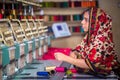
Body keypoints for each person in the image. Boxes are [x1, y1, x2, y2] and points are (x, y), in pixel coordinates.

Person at [54, 7, 119, 77]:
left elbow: (91, 63)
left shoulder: (102, 39)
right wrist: (74, 53)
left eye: (86, 20)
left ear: (96, 22)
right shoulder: (90, 36)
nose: (82, 22)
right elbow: (79, 49)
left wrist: (65, 58)